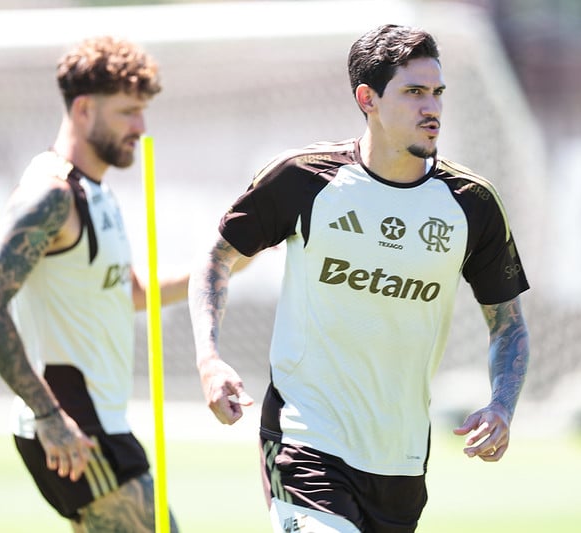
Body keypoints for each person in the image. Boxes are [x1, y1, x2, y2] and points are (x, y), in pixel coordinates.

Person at [187, 24, 531, 532]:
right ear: (367, 98)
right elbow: (216, 259)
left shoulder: (472, 203)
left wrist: (502, 405)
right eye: (414, 92)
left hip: (400, 460)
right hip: (305, 439)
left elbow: (508, 325)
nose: (431, 107)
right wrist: (209, 359)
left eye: (437, 92)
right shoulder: (304, 179)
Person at [0, 35, 177, 532]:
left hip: (93, 424)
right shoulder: (51, 195)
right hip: (79, 428)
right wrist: (49, 416)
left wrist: (225, 262)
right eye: (128, 112)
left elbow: (132, 293)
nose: (141, 127)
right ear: (84, 110)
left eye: (142, 112)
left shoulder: (95, 191)